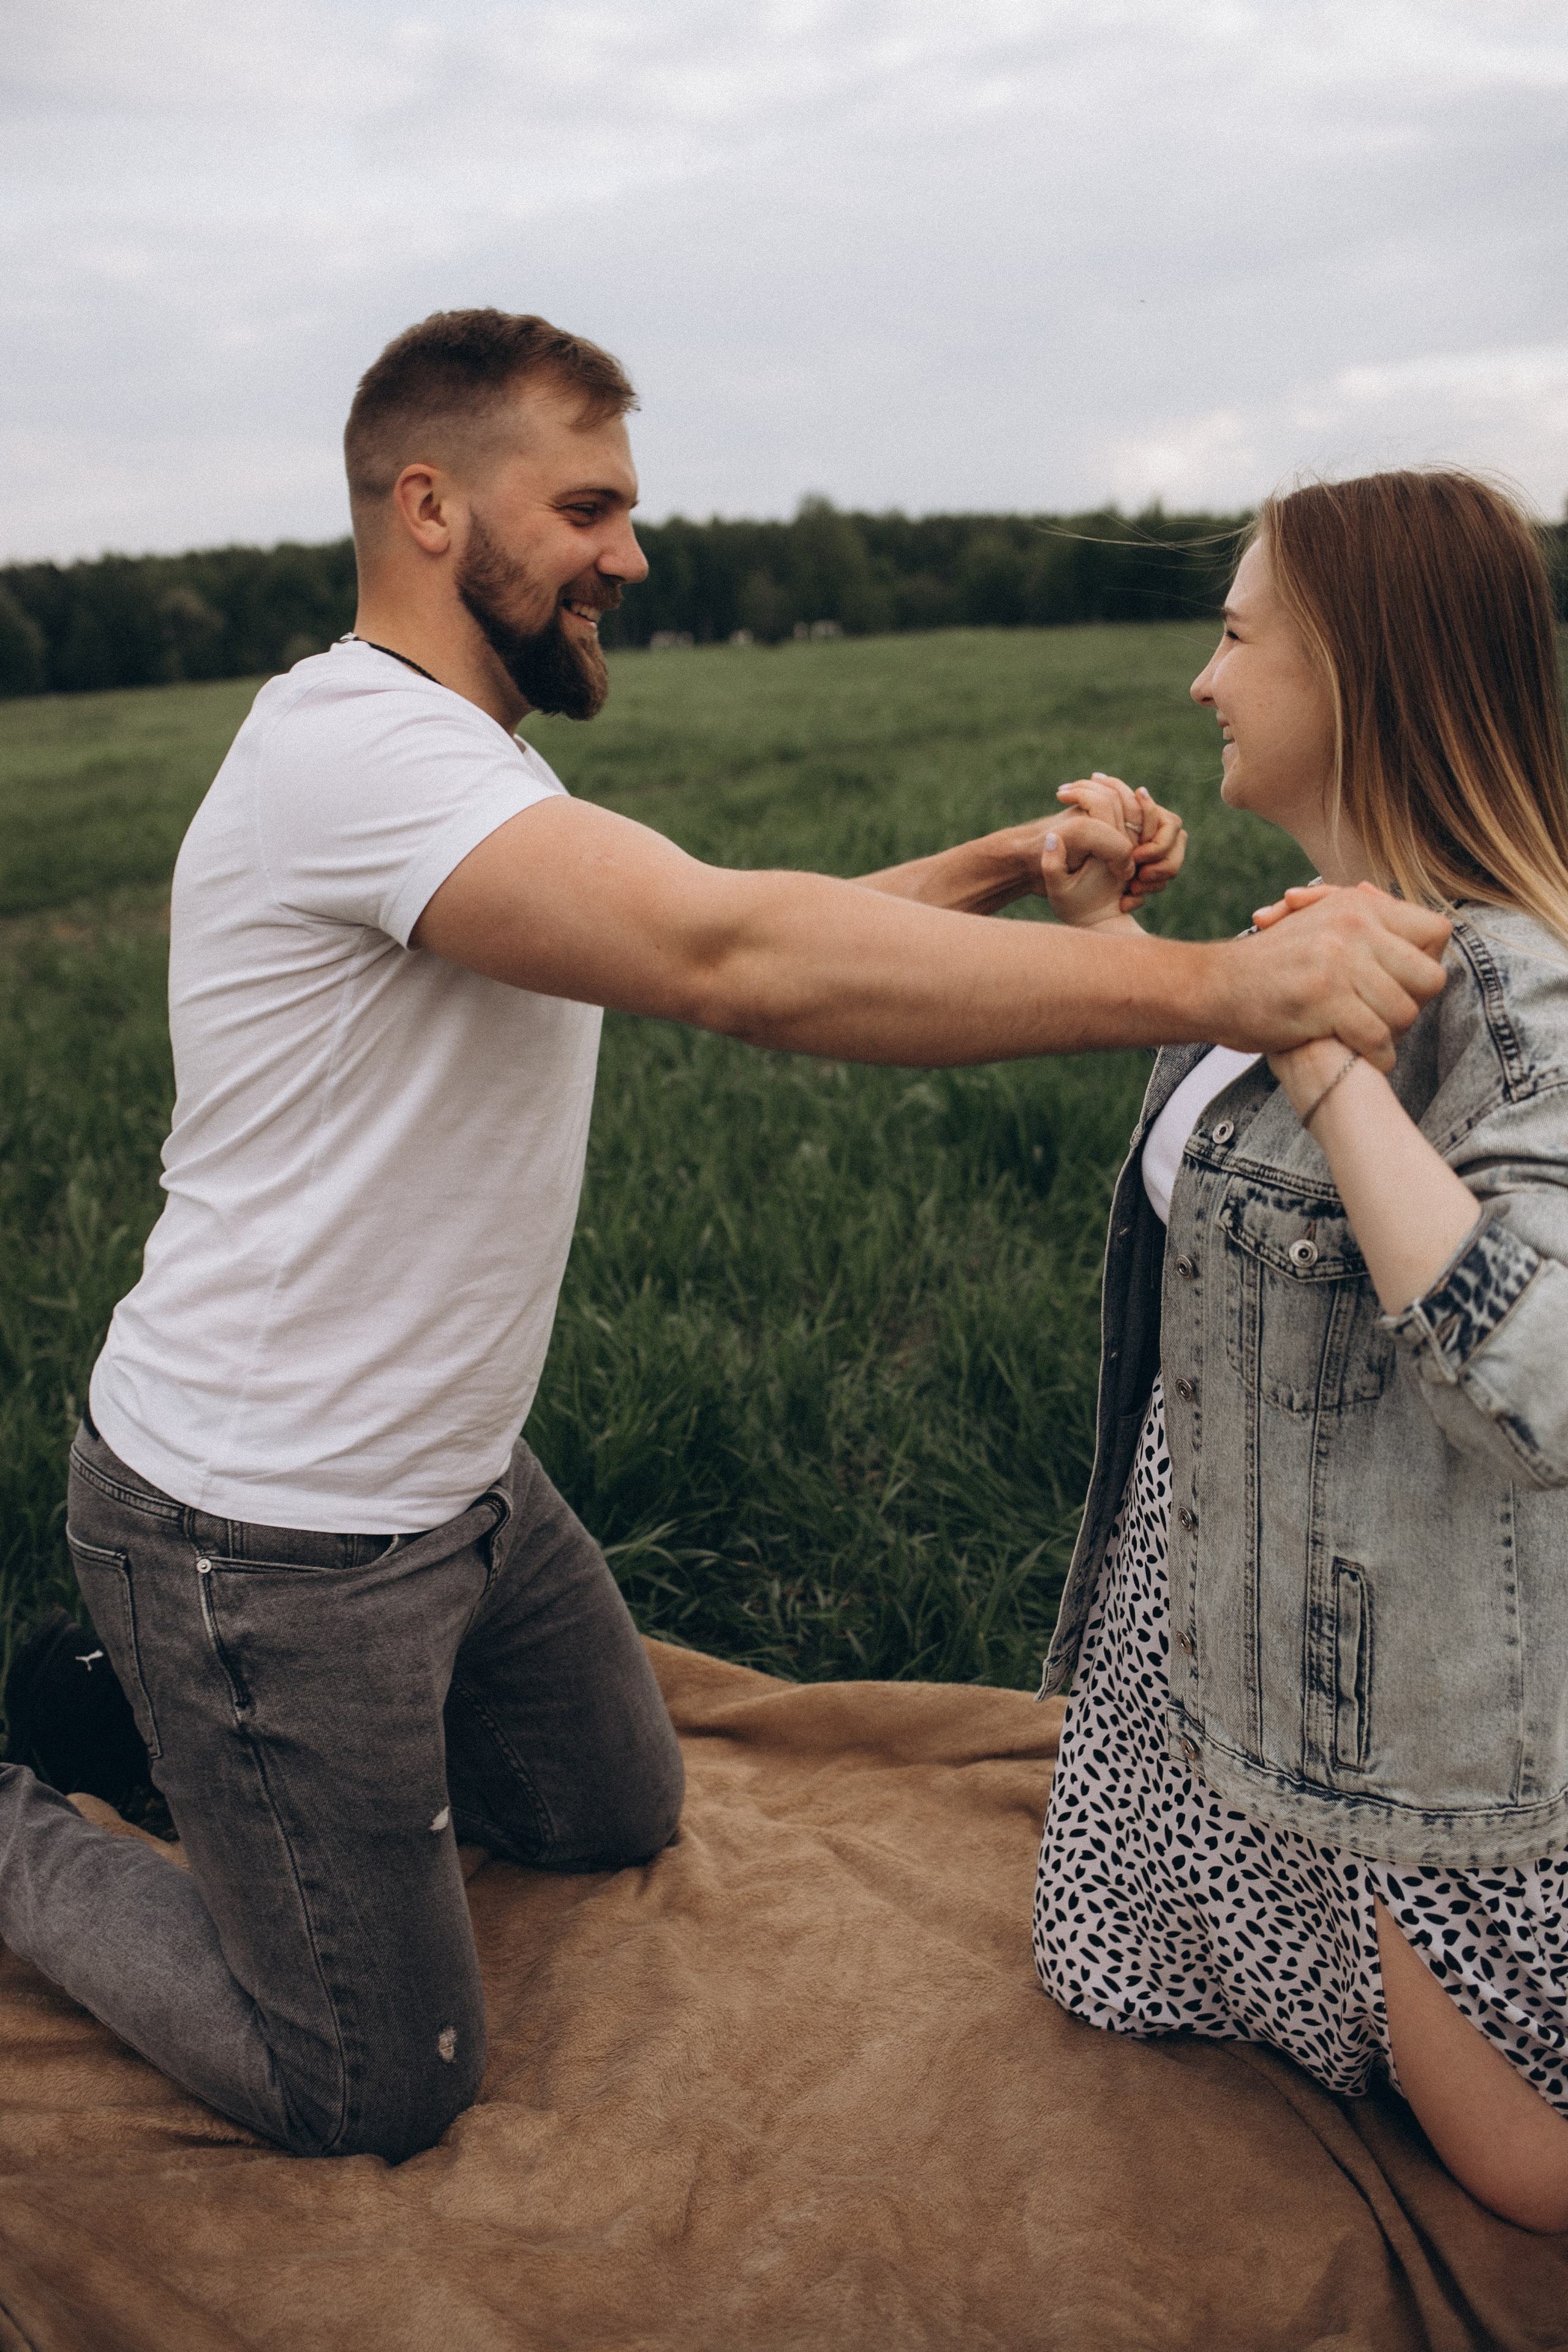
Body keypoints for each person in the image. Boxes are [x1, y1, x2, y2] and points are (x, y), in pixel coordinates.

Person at [3, 311, 1449, 2166]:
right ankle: (53, 1789)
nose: (635, 553)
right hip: (260, 1523)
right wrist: (1241, 981)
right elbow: (729, 961)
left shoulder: (463, 776)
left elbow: (714, 931)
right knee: (368, 2086)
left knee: (613, 1810)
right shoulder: (359, 756)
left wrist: (1004, 868)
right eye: (591, 504)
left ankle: (163, 1719)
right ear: (430, 505)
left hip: (455, 1492)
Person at [1031, 469, 1568, 2233]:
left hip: (1409, 1718)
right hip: (1214, 1674)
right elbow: (1248, 1222)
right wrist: (1128, 944)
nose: (1204, 680)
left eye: (1239, 633)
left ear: (1357, 672)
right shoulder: (1322, 930)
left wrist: (1334, 1061)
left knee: (1527, 2175)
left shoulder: (1500, 989)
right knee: (1133, 2008)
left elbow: (1545, 1379)